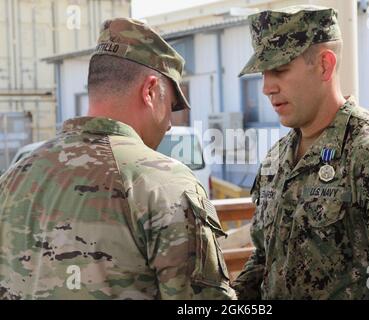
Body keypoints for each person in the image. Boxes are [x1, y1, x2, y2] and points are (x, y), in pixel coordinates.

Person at [0, 18, 235, 300]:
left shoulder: (14, 178)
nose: (170, 124)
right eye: (171, 106)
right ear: (150, 92)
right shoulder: (164, 183)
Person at [232, 5, 369, 299]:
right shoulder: (277, 159)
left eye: (280, 70)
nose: (267, 87)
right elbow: (265, 261)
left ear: (324, 65)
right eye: (263, 74)